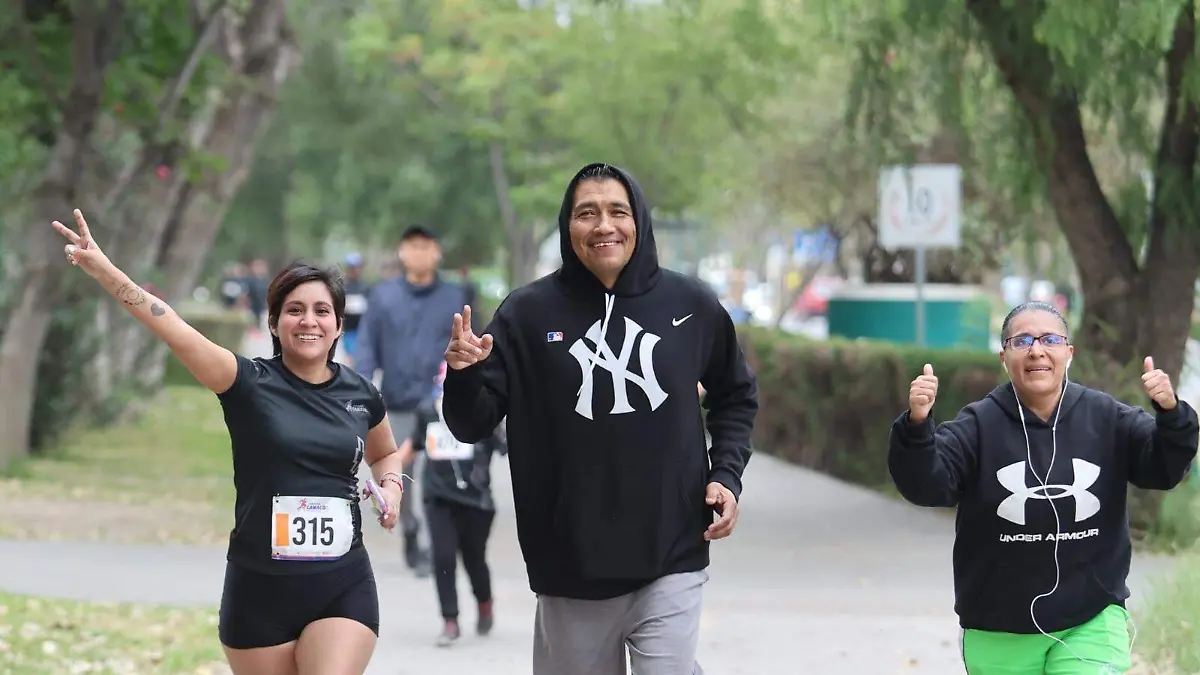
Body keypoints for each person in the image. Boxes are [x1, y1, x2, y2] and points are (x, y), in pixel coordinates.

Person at [54, 210, 407, 675]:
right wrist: (103, 268)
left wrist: (393, 490)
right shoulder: (246, 382)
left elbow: (385, 453)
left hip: (342, 583)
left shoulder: (361, 394)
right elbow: (170, 325)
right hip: (258, 590)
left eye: (322, 311)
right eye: (295, 310)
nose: (309, 321)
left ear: (339, 325)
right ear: (275, 322)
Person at [440, 162, 759, 674]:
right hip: (570, 563)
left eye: (618, 212)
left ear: (640, 222)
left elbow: (736, 395)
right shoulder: (526, 314)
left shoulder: (691, 305)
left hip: (672, 549)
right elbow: (471, 424)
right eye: (587, 213)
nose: (604, 225)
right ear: (569, 228)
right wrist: (462, 375)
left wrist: (726, 476)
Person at [889, 300, 1199, 675]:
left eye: (1050, 339)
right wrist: (918, 426)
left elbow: (1162, 469)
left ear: (1068, 352)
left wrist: (1171, 416)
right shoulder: (978, 425)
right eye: (1022, 341)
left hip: (1090, 618)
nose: (1037, 350)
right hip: (997, 625)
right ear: (1004, 357)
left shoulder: (1106, 417)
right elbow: (928, 486)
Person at [356, 224, 468, 577]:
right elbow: (367, 346)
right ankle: (409, 533)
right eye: (412, 247)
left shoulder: (455, 296)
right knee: (398, 473)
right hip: (398, 402)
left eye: (426, 247)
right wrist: (361, 389)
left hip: (440, 407)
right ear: (402, 252)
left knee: (440, 479)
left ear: (437, 252)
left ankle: (440, 548)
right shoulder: (384, 296)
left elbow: (470, 342)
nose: (419, 253)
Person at [401, 361, 506, 647]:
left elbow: (509, 447)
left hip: (476, 500)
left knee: (474, 560)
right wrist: (386, 475)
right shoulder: (427, 412)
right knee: (443, 557)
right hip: (438, 496)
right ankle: (450, 620)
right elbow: (412, 446)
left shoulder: (484, 412)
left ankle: (484, 603)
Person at [340, 252, 372, 365]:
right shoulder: (343, 287)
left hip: (364, 330)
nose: (356, 270)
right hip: (349, 330)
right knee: (351, 360)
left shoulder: (366, 287)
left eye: (358, 267)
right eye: (353, 268)